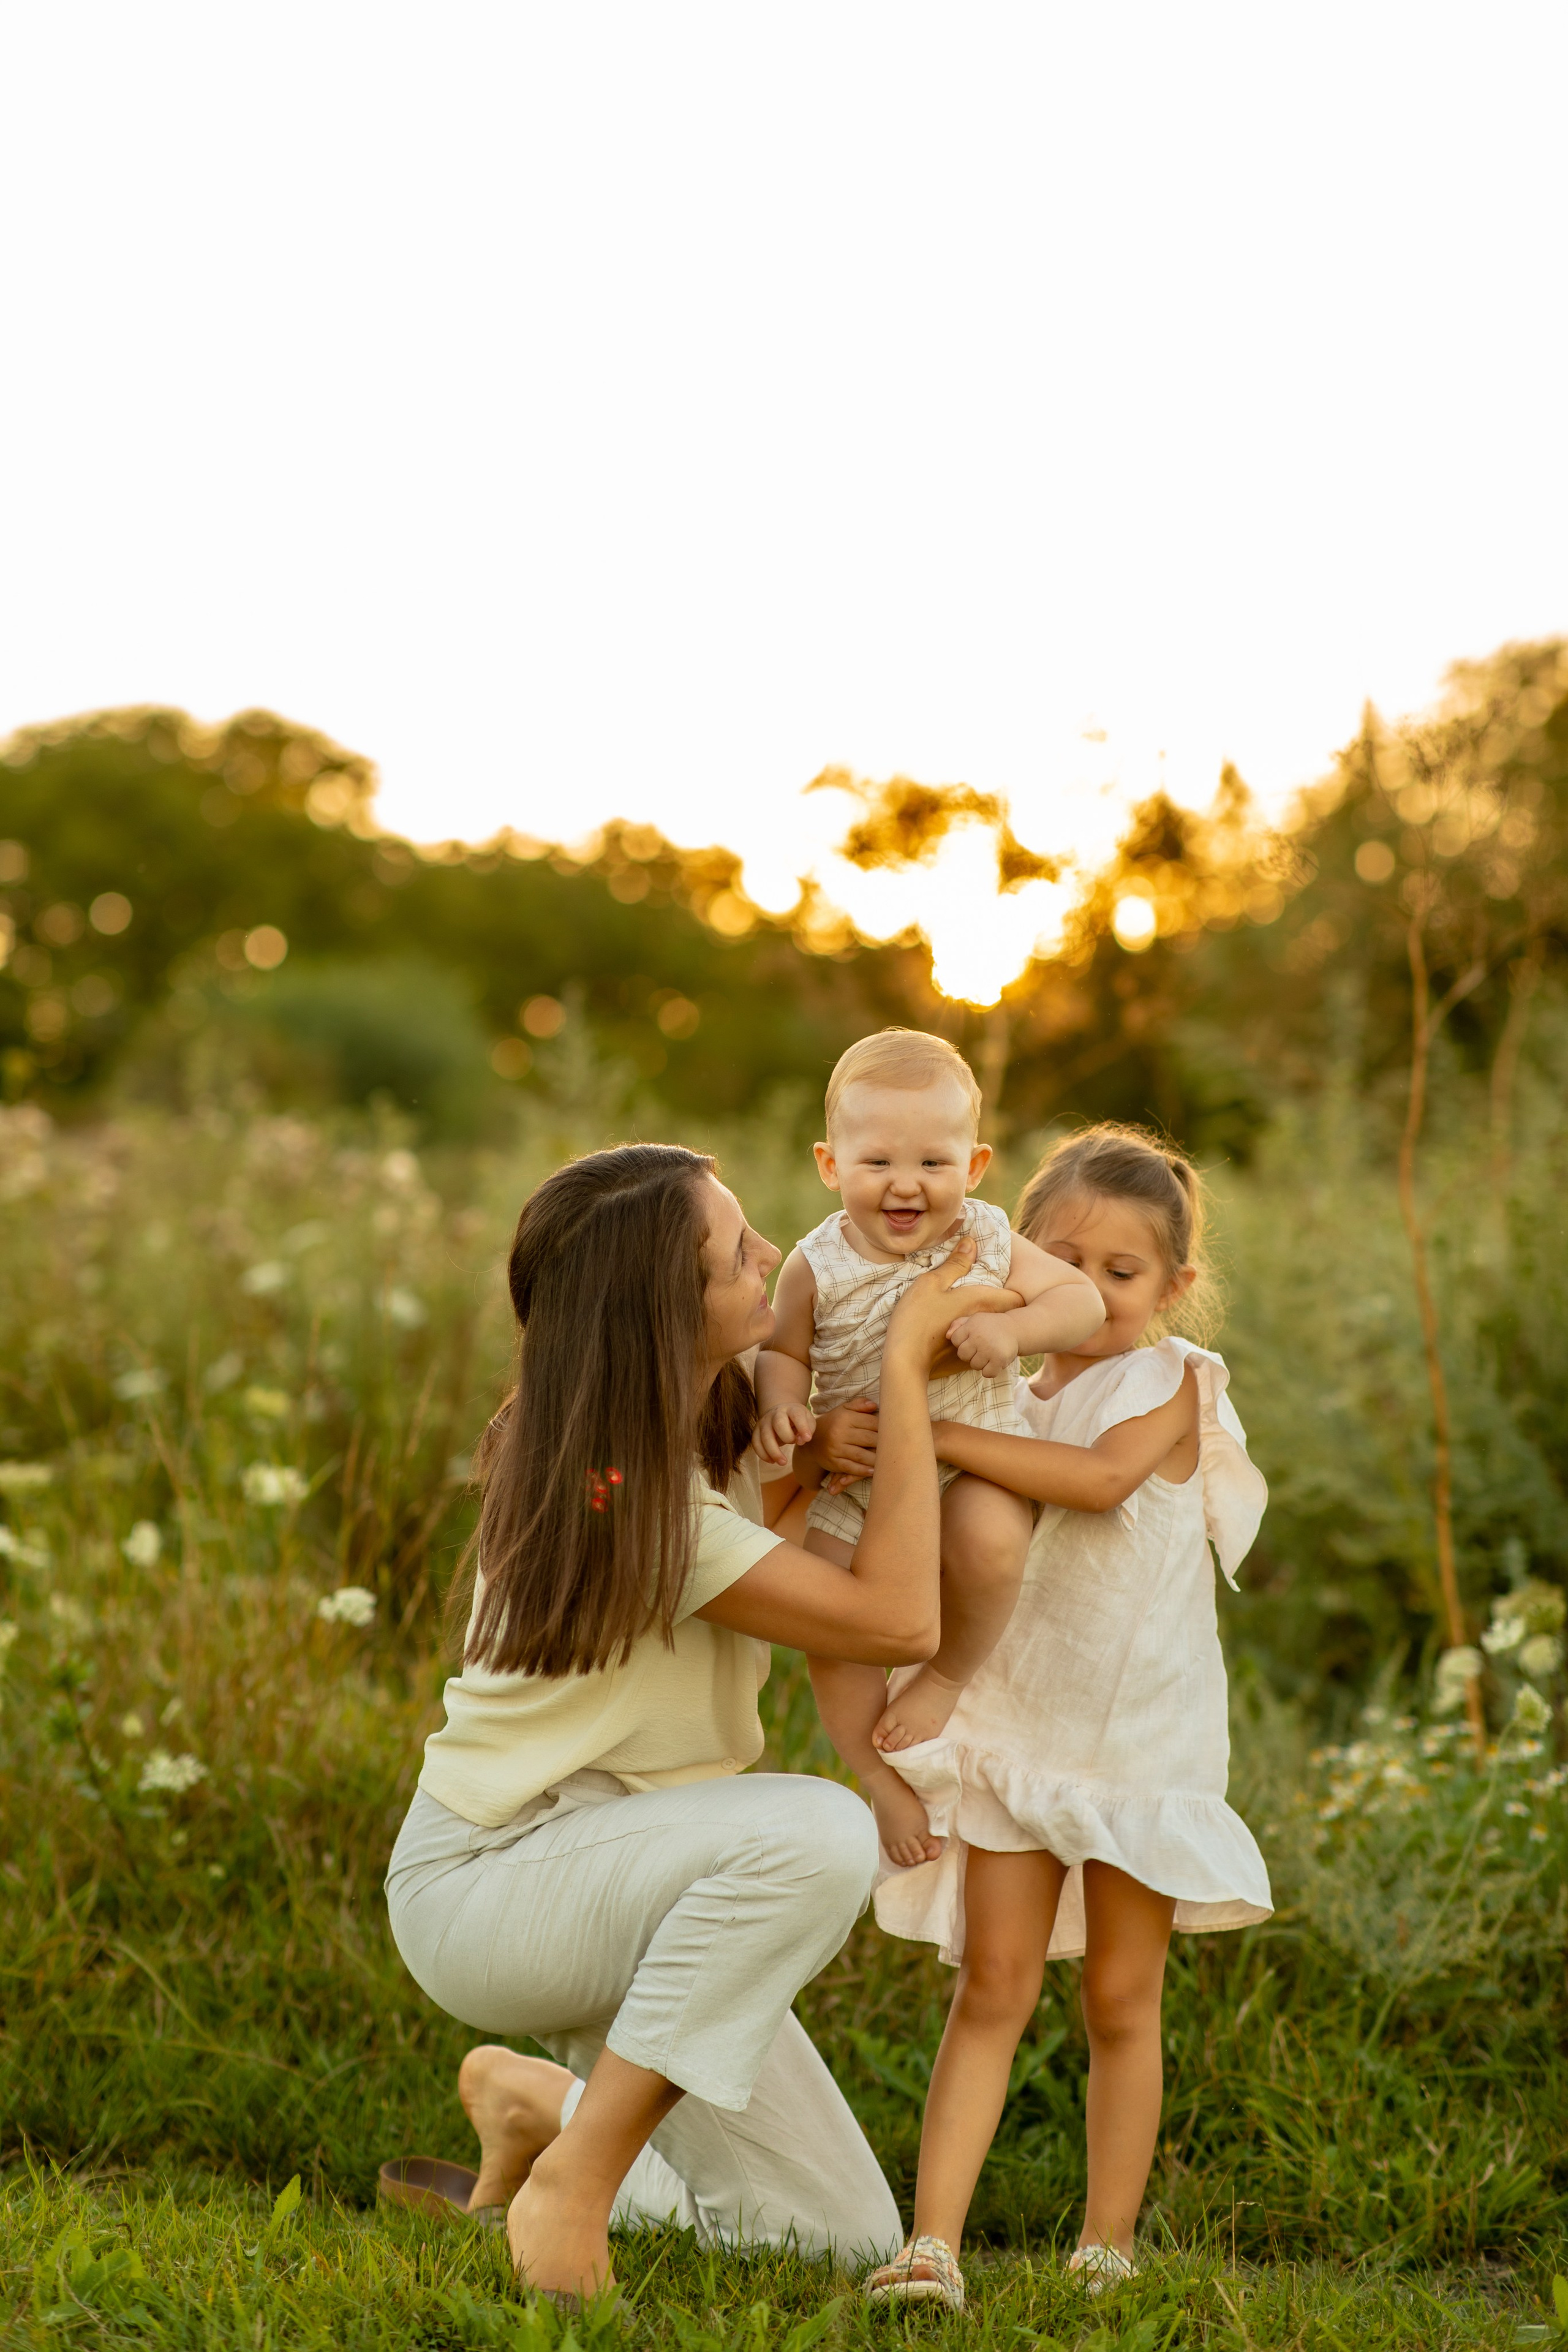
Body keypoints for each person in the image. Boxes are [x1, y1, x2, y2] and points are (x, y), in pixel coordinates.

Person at [384, 1142, 1019, 2307]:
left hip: (646, 1868)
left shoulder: (686, 1423)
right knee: (819, 1834)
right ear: (664, 1310)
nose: (770, 1254)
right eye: (737, 1253)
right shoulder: (623, 1498)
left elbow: (798, 1510)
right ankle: (576, 2182)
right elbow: (894, 1621)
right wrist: (909, 1366)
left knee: (823, 2237)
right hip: (499, 1881)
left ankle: (541, 2108)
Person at [858, 1126, 1273, 2310]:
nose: (1089, 1294)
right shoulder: (1000, 1389)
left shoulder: (1180, 1386)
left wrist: (927, 1429)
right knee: (992, 1984)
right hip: (1018, 1727)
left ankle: (1107, 2240)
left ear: (1177, 1289)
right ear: (1019, 1259)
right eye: (1064, 1263)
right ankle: (931, 2244)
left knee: (1119, 2000)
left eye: (1124, 1274)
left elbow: (1095, 1485)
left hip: (1140, 1739)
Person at [752, 1030, 1106, 1866]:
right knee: (831, 1623)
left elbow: (1081, 1301)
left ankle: (946, 1677)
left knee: (990, 1540)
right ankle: (875, 1774)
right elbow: (782, 1350)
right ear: (830, 1165)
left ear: (976, 1165)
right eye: (877, 1163)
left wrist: (1013, 1324)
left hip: (971, 1455)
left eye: (933, 1164)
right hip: (858, 1475)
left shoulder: (982, 1234)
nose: (906, 1185)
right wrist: (787, 1408)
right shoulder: (813, 1262)